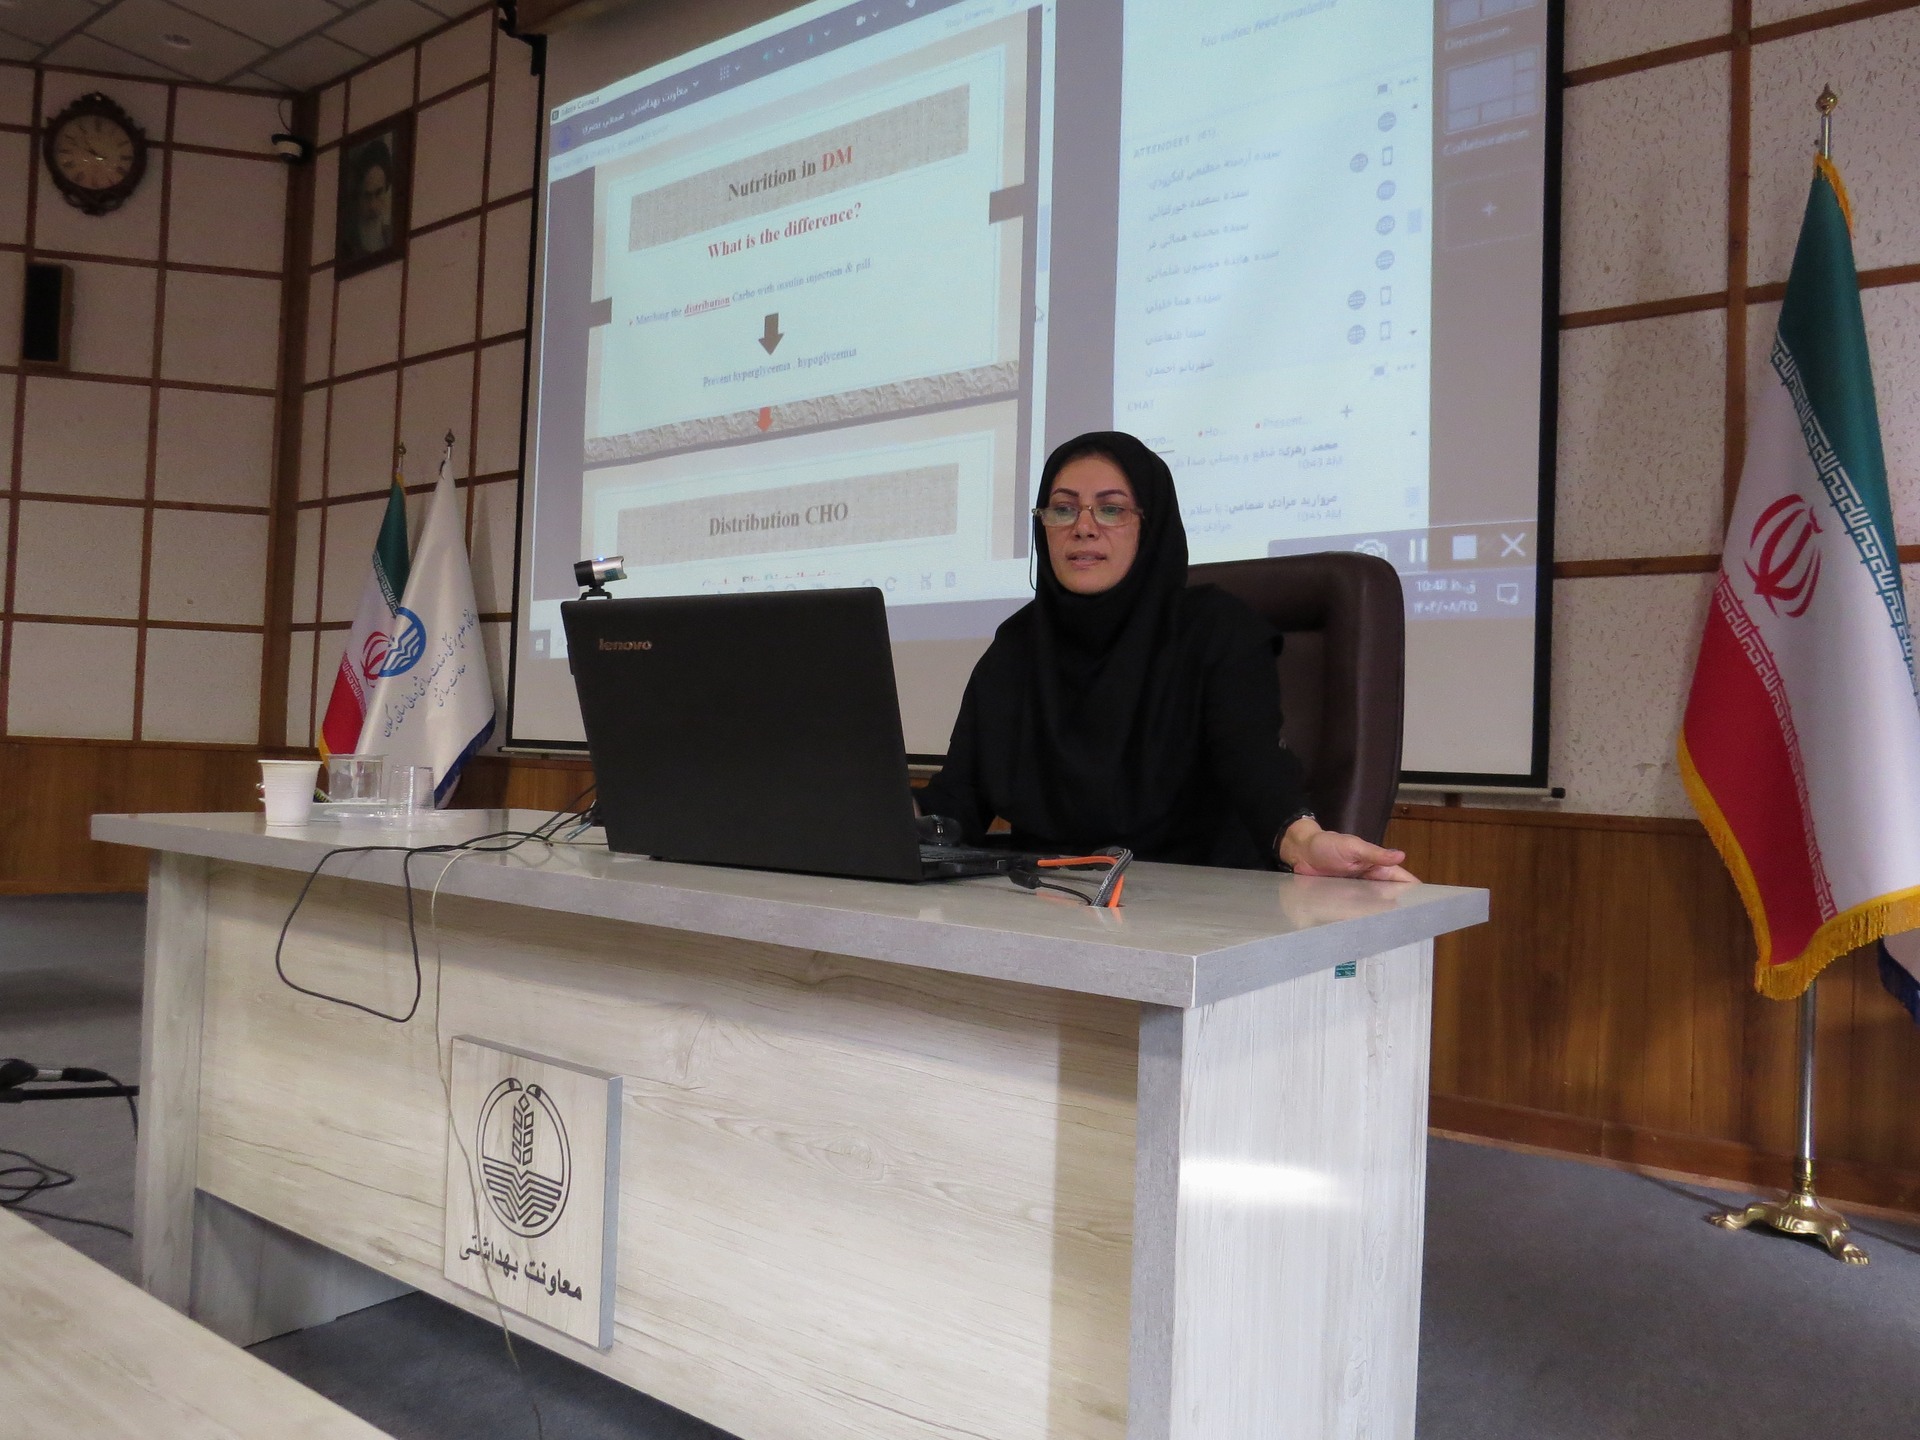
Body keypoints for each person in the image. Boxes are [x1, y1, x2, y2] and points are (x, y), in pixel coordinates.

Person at [918, 430, 1415, 881]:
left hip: (1195, 902)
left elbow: (1255, 768)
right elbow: (958, 801)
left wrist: (1304, 842)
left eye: (1111, 509)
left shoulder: (1216, 631)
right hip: (1046, 902)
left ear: (1150, 526)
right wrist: (894, 819)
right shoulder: (1016, 646)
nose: (1083, 527)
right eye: (1063, 509)